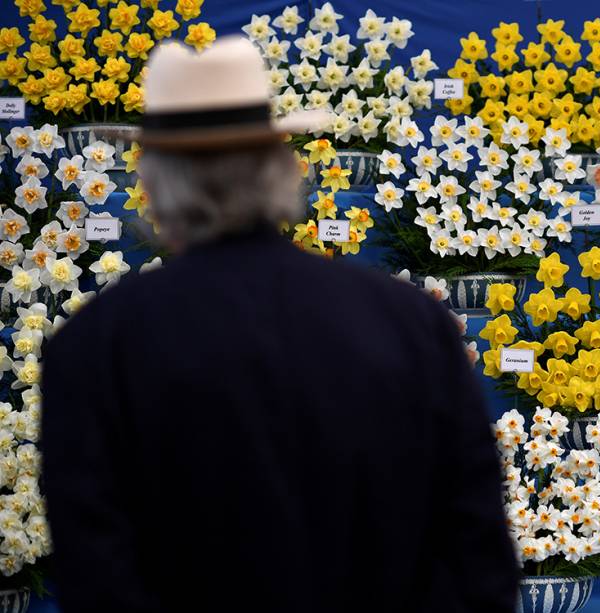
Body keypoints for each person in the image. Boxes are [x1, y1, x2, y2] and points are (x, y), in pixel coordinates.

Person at [41, 36, 518, 613]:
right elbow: (476, 557)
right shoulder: (409, 321)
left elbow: (98, 578)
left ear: (155, 187)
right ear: (282, 171)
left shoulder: (95, 345)